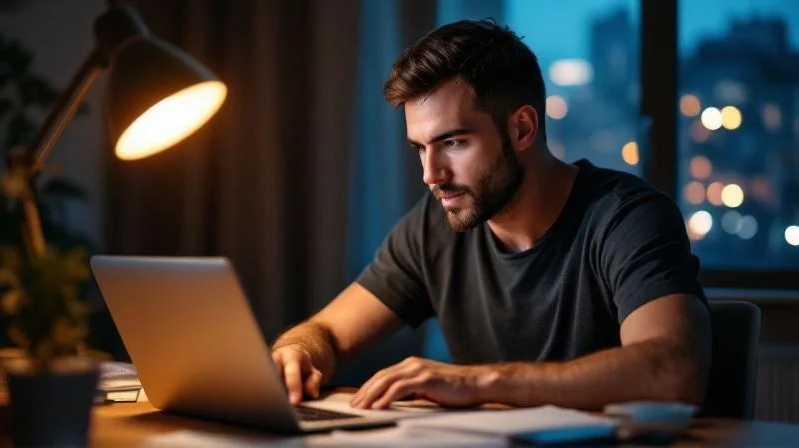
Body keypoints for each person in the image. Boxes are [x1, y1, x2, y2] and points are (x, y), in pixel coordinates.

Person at [271, 19, 711, 412]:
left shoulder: (627, 217)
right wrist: (299, 353)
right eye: (420, 148)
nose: (430, 174)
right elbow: (326, 332)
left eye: (454, 143)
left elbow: (672, 369)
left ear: (522, 128)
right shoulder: (435, 226)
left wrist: (480, 381)